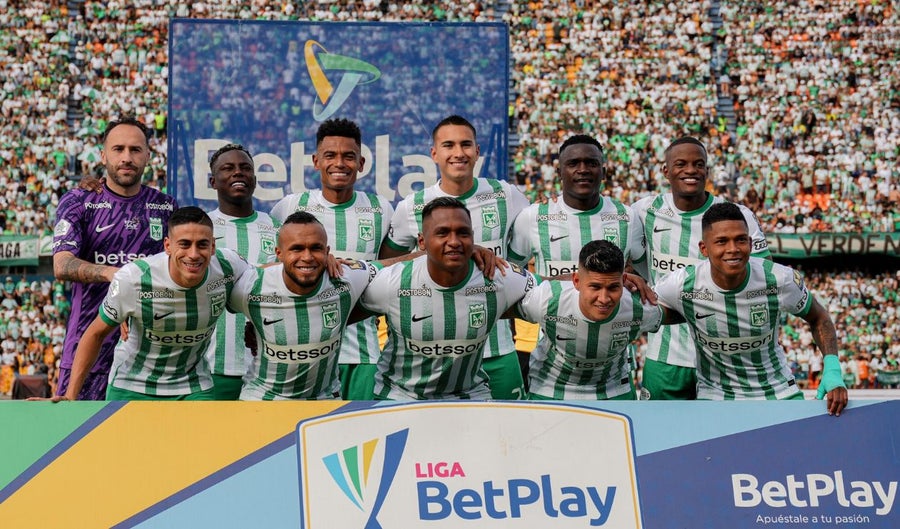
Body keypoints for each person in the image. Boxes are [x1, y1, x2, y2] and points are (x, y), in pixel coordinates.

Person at [380, 115, 531, 400]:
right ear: (434, 153)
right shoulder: (411, 206)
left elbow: (533, 242)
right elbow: (387, 266)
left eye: (466, 144)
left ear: (477, 151)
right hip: (436, 356)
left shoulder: (506, 195)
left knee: (511, 428)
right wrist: (440, 255)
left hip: (498, 350)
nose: (458, 153)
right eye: (448, 145)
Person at [654, 203, 848, 415]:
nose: (733, 249)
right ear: (704, 248)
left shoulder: (778, 279)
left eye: (740, 240)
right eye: (721, 241)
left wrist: (832, 369)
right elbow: (643, 310)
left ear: (750, 242)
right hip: (715, 395)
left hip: (779, 392)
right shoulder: (682, 284)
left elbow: (819, 318)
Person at [54, 207, 249, 401]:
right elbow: (95, 334)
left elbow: (261, 282)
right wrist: (70, 396)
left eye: (202, 245)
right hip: (132, 387)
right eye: (184, 244)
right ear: (168, 246)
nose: (193, 254)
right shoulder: (133, 278)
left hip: (194, 386)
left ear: (213, 246)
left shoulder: (229, 266)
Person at [631, 137, 770, 400]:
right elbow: (618, 257)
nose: (691, 170)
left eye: (698, 164)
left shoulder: (735, 215)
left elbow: (765, 275)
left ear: (707, 169)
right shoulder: (644, 211)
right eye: (681, 164)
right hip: (665, 356)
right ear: (666, 170)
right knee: (659, 426)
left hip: (723, 357)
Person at [52, 117, 178, 400]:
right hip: (87, 353)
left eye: (135, 150)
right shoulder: (79, 201)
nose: (127, 157)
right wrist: (115, 274)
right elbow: (62, 265)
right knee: (80, 428)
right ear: (103, 155)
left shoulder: (166, 207)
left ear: (148, 156)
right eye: (118, 149)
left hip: (149, 357)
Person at [361, 197, 536, 400]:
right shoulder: (393, 281)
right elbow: (344, 300)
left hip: (470, 396)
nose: (454, 242)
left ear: (473, 238)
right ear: (422, 242)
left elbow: (554, 289)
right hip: (399, 397)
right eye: (442, 233)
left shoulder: (497, 277)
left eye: (463, 233)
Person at [269, 118, 393, 400]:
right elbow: (274, 271)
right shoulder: (289, 207)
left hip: (362, 353)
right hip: (305, 351)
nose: (339, 163)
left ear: (361, 163)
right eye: (330, 155)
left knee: (360, 426)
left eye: (348, 156)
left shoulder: (380, 209)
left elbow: (390, 273)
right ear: (316, 161)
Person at [230, 211, 377, 400]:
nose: (307, 257)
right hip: (262, 400)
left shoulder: (345, 277)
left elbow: (394, 267)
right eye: (297, 249)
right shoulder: (250, 286)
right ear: (279, 253)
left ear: (327, 252)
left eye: (316, 248)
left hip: (324, 399)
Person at [515, 240, 678, 400]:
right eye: (595, 287)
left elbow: (682, 312)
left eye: (613, 287)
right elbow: (506, 303)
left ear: (623, 281)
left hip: (614, 390)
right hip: (550, 388)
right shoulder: (546, 299)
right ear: (576, 281)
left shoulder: (639, 307)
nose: (604, 298)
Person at [204, 143, 279, 400]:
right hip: (210, 366)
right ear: (213, 182)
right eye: (228, 168)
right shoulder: (201, 229)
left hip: (265, 368)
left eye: (245, 168)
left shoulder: (277, 229)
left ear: (255, 180)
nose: (238, 172)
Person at [509, 134, 643, 276]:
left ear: (603, 172)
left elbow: (649, 274)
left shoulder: (627, 218)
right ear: (559, 173)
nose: (583, 170)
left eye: (592, 163)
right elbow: (509, 272)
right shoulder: (533, 217)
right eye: (573, 164)